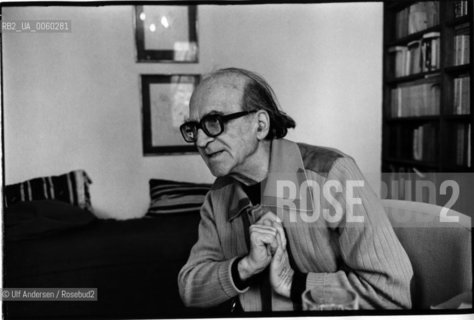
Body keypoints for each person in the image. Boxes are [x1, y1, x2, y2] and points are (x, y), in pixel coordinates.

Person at [177, 67, 413, 311]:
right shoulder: (216, 198)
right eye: (194, 129)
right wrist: (245, 266)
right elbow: (190, 290)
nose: (200, 142)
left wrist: (294, 283)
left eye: (214, 122)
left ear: (260, 125)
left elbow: (391, 293)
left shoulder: (334, 174)